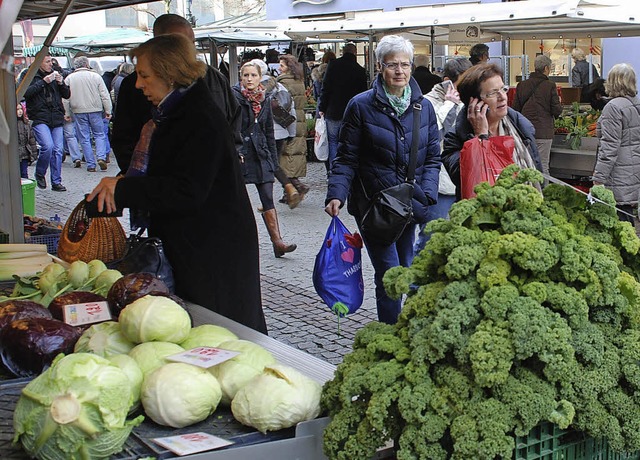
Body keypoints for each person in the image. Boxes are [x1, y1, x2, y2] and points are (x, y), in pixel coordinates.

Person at [87, 34, 267, 334]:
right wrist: (123, 183)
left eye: (145, 75)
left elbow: (186, 189)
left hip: (213, 248)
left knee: (223, 330)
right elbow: (170, 171)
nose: (138, 84)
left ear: (169, 73)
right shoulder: (175, 111)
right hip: (195, 242)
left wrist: (124, 190)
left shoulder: (197, 117)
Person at [324, 35, 441, 325]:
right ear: (379, 67)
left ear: (412, 67)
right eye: (392, 65)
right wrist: (336, 193)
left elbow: (432, 158)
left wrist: (427, 194)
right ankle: (391, 335)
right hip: (374, 207)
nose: (399, 71)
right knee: (390, 275)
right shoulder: (360, 106)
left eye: (405, 64)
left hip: (409, 204)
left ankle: (403, 328)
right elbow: (346, 157)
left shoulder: (422, 107)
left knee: (406, 268)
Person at [111, 13, 239, 176]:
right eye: (181, 43)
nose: (190, 49)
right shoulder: (133, 87)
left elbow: (233, 122)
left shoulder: (207, 92)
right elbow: (123, 138)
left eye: (192, 42)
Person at [442, 63, 543, 201]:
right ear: (475, 103)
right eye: (493, 93)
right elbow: (467, 181)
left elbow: (537, 173)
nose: (502, 97)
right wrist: (480, 137)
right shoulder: (456, 138)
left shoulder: (521, 128)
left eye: (503, 89)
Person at [234, 61, 298, 258]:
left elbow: (269, 130)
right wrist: (236, 150)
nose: (250, 79)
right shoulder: (234, 97)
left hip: (260, 153)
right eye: (246, 76)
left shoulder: (265, 98)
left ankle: (277, 242)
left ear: (259, 77)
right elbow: (230, 126)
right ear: (241, 77)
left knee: (267, 197)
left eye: (253, 75)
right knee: (238, 201)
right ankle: (237, 242)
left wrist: (272, 160)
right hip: (242, 154)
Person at [414, 57, 472, 253]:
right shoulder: (427, 102)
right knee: (431, 237)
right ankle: (416, 282)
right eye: (462, 83)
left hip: (461, 179)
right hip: (439, 184)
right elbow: (432, 137)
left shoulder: (467, 101)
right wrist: (449, 106)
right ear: (447, 81)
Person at [592, 63, 640, 224]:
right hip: (633, 171)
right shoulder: (636, 103)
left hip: (619, 173)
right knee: (629, 221)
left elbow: (609, 147)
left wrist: (599, 179)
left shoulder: (613, 107)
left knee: (620, 224)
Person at [251, 58, 302, 209]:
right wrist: (291, 133)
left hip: (264, 133)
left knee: (268, 166)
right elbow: (290, 110)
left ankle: (288, 190)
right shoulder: (279, 86)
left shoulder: (255, 88)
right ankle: (283, 192)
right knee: (273, 164)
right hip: (281, 133)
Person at [512, 54, 563, 181]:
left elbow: (515, 109)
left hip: (524, 131)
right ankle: (542, 195)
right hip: (543, 132)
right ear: (546, 68)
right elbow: (556, 110)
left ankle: (527, 193)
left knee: (526, 165)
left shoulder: (521, 85)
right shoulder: (550, 85)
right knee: (543, 165)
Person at [24, 54, 70, 192]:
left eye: (51, 61)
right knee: (47, 146)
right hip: (39, 117)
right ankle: (40, 173)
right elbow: (25, 93)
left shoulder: (56, 73)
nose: (51, 64)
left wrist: (61, 83)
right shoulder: (29, 75)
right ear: (39, 63)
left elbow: (67, 94)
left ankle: (56, 181)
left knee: (58, 150)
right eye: (47, 61)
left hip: (55, 116)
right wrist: (44, 82)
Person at [318, 43, 368, 170]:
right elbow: (363, 93)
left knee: (333, 142)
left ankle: (334, 170)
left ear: (343, 51)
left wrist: (322, 108)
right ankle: (348, 169)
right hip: (352, 112)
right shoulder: (359, 70)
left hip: (333, 110)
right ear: (355, 52)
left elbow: (326, 88)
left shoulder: (333, 65)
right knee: (349, 142)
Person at [63, 56, 112, 172]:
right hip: (95, 109)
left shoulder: (69, 78)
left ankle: (90, 164)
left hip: (78, 111)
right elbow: (104, 95)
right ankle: (101, 157)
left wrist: (67, 112)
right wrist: (108, 110)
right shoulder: (96, 77)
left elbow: (65, 98)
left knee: (84, 138)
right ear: (87, 64)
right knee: (99, 135)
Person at [277, 54, 310, 201]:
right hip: (300, 119)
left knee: (287, 155)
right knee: (292, 155)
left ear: (288, 67)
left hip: (288, 120)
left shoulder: (283, 82)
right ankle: (289, 192)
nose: (279, 68)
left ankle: (297, 186)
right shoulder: (299, 81)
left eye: (282, 65)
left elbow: (281, 104)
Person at [311, 50, 336, 118]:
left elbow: (315, 94)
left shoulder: (316, 74)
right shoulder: (337, 72)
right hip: (335, 103)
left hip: (321, 103)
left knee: (321, 126)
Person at [16, 103, 38, 180]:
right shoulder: (10, 124)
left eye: (21, 109)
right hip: (15, 154)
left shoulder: (26, 123)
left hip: (25, 153)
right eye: (17, 109)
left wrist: (34, 154)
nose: (20, 111)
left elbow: (31, 139)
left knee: (24, 173)